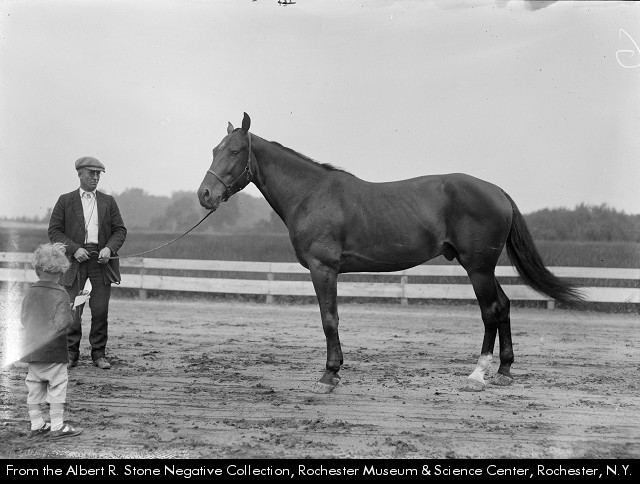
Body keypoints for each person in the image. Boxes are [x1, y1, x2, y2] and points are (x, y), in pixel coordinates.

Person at [48, 156, 127, 370]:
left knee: (100, 310)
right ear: (79, 174)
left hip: (101, 263)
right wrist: (74, 249)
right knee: (73, 309)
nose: (95, 177)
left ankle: (99, 354)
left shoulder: (108, 201)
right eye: (91, 173)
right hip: (75, 264)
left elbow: (120, 230)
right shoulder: (65, 201)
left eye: (98, 174)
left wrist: (108, 249)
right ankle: (71, 354)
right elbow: (54, 231)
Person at [20, 242, 84, 439]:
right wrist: (72, 311)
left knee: (33, 388)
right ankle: (57, 426)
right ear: (61, 272)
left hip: (33, 351)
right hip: (54, 352)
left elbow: (23, 319)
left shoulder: (30, 292)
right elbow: (63, 323)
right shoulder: (61, 294)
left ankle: (36, 424)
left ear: (37, 270)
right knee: (57, 387)